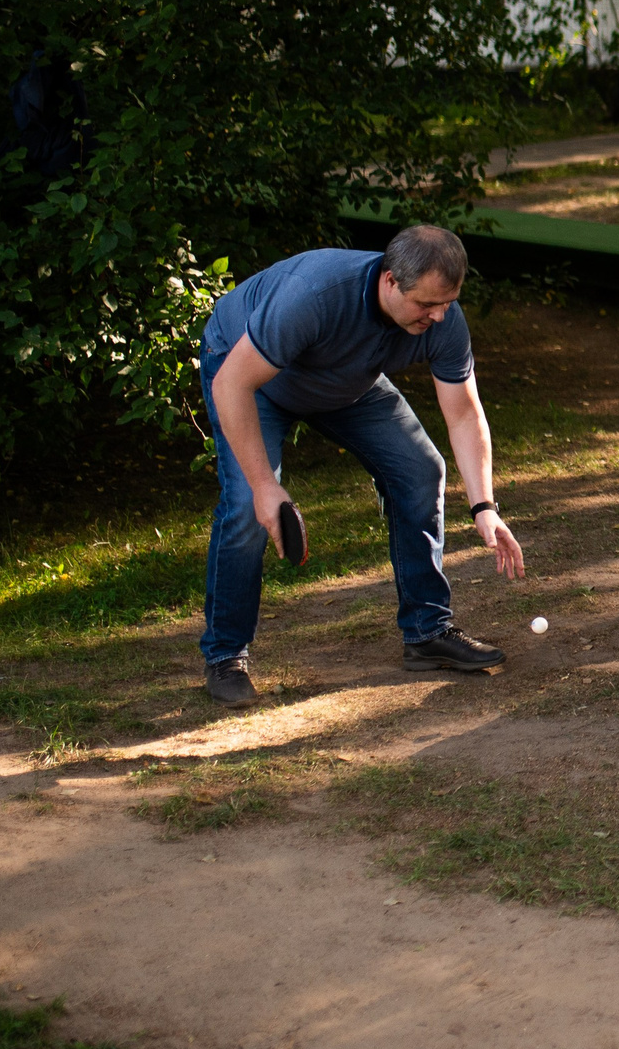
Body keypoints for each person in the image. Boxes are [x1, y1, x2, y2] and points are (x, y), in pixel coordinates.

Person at [195, 225, 525, 705]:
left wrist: (484, 506)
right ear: (390, 281)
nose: (437, 316)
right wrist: (266, 487)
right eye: (425, 305)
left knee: (420, 469)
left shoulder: (441, 318)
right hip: (249, 377)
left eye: (447, 303)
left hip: (344, 380)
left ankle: (427, 631)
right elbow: (231, 386)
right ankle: (226, 655)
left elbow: (463, 413)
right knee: (247, 504)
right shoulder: (315, 295)